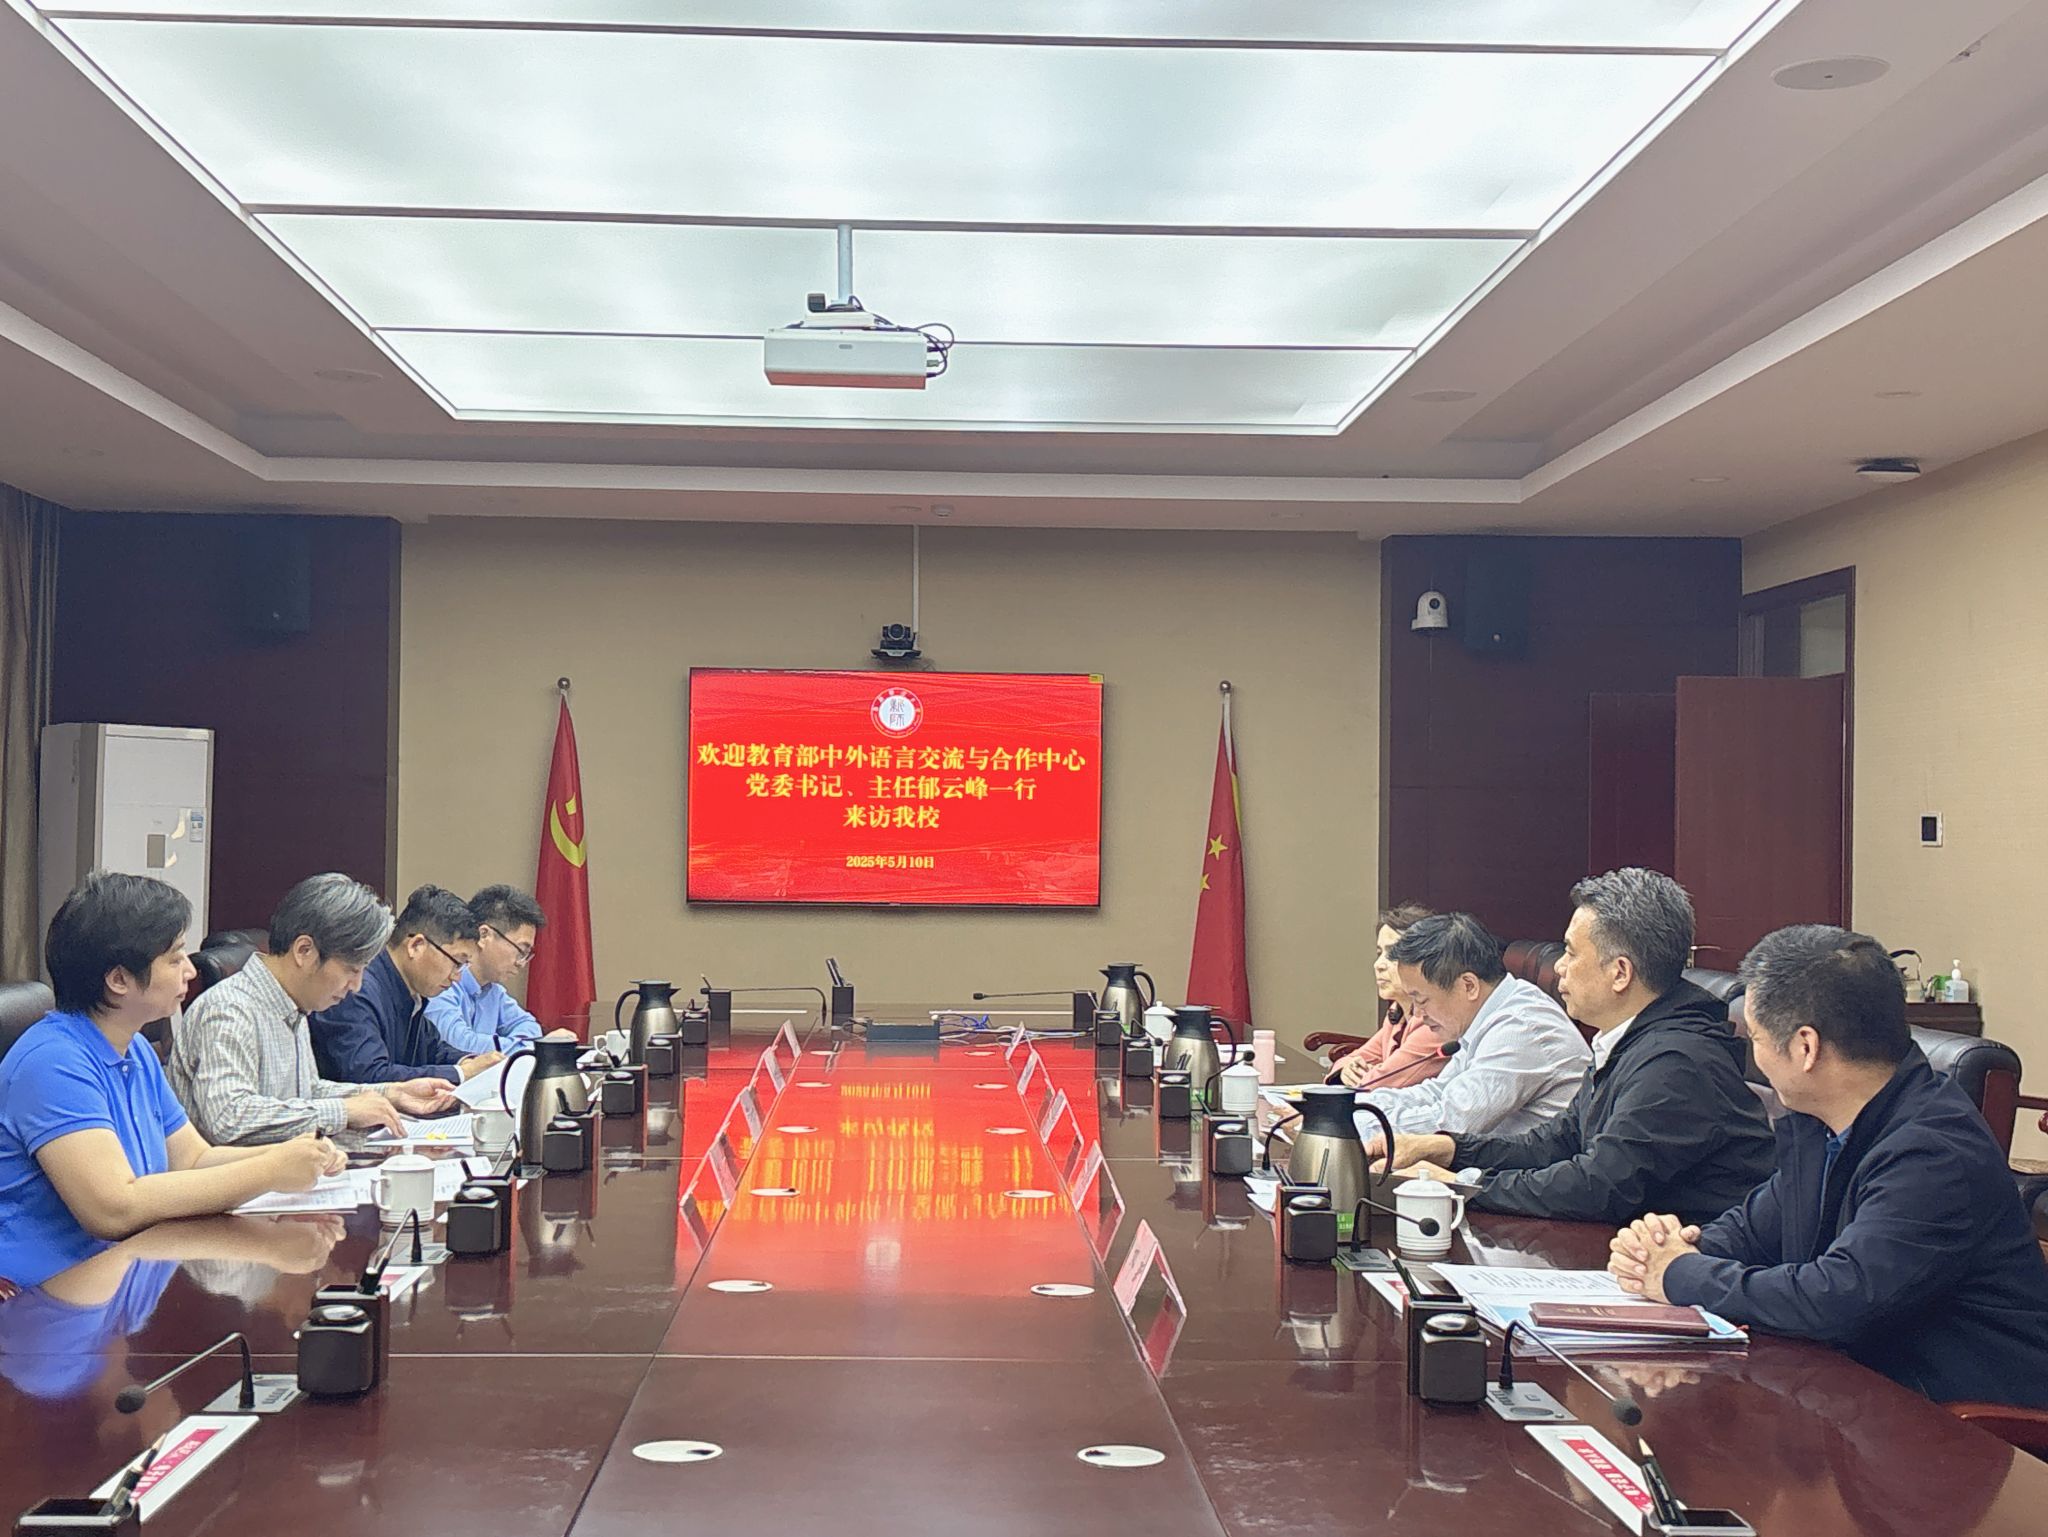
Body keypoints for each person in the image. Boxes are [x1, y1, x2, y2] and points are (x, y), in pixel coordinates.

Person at [1610, 924, 2048, 1409]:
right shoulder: (1824, 1124)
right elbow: (1754, 1230)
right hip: (1858, 1395)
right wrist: (1666, 1250)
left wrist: (1681, 1274)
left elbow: (1837, 1298)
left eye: (1755, 1037)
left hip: (1960, 1421)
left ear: (1805, 1047)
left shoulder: (1933, 1152)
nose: (1752, 1055)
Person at [0, 873, 341, 1291]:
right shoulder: (52, 1062)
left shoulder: (136, 1050)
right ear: (119, 980)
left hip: (127, 1274)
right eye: (175, 958)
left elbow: (193, 1159)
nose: (191, 970)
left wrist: (294, 1153)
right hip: (44, 1298)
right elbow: (113, 1209)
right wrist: (271, 1171)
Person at [1390, 868, 1774, 1224]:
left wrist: (1463, 1186)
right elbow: (1557, 1142)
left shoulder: (1677, 1062)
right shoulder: (1627, 1040)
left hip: (1697, 1256)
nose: (1559, 966)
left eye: (1571, 953)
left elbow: (1597, 1187)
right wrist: (1450, 1150)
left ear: (1620, 972)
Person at [170, 874, 459, 1144]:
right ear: (304, 951)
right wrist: (344, 1111)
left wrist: (391, 1093)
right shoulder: (229, 1010)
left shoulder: (292, 1007)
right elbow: (229, 1117)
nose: (356, 986)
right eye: (351, 969)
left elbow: (308, 1091)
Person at [1354, 912, 1588, 1141]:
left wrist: (1357, 1125)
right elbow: (1438, 1091)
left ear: (1468, 985)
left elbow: (1451, 1122)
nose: (1416, 1013)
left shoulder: (1520, 1028)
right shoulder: (1487, 1017)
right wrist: (1355, 1105)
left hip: (1540, 1165)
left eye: (1422, 1000)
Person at [309, 885, 500, 1085]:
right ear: (416, 946)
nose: (457, 977)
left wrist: (468, 1062)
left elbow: (433, 1050)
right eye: (457, 962)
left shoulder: (410, 992)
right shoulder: (357, 990)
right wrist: (460, 1073)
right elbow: (370, 1076)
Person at [1327, 904, 1443, 1091]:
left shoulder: (1436, 1019)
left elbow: (1383, 1081)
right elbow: (1353, 1059)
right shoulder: (1397, 1011)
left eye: (1393, 954)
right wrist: (1346, 1070)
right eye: (1379, 953)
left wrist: (1362, 1075)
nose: (1378, 965)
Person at [424, 884, 551, 1054]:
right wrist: (529, 1047)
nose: (521, 963)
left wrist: (525, 1045)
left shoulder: (494, 991)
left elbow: (530, 1026)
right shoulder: (442, 983)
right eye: (521, 950)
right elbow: (459, 1044)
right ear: (484, 935)